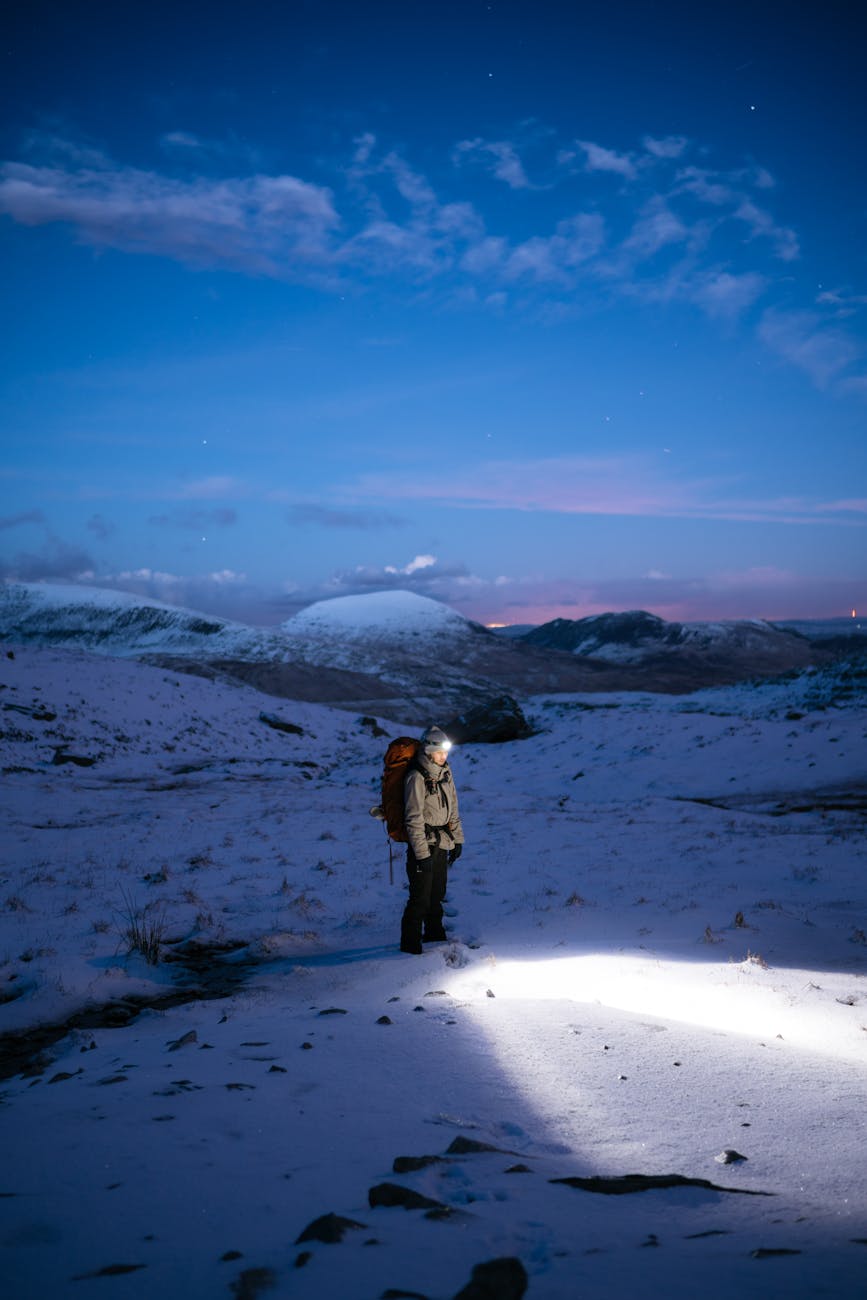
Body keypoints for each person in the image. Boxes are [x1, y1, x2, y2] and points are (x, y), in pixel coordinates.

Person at [400, 725, 465, 954]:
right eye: (439, 752)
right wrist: (421, 855)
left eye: (446, 752)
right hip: (423, 845)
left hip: (442, 842)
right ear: (428, 751)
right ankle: (410, 948)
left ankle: (435, 937)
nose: (443, 756)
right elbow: (413, 818)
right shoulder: (416, 777)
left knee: (437, 894)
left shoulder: (445, 773)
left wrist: (457, 840)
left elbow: (453, 808)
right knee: (420, 898)